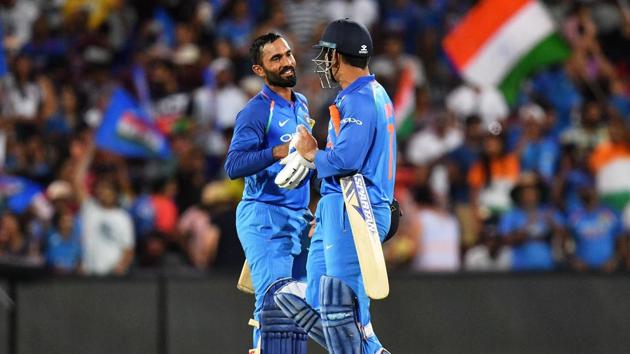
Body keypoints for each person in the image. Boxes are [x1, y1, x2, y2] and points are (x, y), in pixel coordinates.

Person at [274, 19, 395, 354]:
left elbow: (347, 160)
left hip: (354, 208)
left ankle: (369, 348)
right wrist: (324, 210)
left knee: (343, 310)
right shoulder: (369, 93)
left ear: (337, 58)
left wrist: (312, 152)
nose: (324, 62)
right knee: (316, 303)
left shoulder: (359, 99)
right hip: (337, 208)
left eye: (327, 54)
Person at [224, 32, 313, 354]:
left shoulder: (301, 104)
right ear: (259, 70)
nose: (287, 61)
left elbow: (302, 161)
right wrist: (278, 151)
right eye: (276, 58)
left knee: (298, 308)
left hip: (298, 219)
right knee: (275, 302)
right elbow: (233, 165)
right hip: (265, 214)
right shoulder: (256, 111)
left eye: (287, 53)